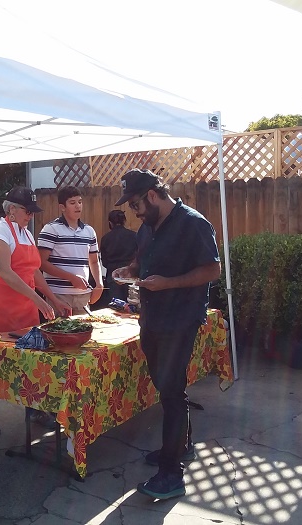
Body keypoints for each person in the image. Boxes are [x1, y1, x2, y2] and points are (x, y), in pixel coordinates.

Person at [112, 169, 220, 500]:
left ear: (153, 195)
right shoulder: (148, 226)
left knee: (171, 392)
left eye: (135, 204)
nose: (134, 212)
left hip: (180, 320)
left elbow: (212, 269)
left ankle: (171, 474)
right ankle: (181, 445)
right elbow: (142, 259)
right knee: (165, 386)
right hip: (152, 318)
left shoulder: (193, 223)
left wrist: (169, 283)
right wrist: (130, 270)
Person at [0, 186, 72, 436]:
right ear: (11, 210)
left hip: (26, 307)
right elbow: (6, 273)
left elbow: (34, 271)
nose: (30, 216)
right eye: (27, 211)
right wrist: (39, 300)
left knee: (32, 360)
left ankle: (36, 409)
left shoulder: (27, 234)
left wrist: (53, 299)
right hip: (1, 307)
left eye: (32, 212)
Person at [37, 186, 104, 314]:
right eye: (72, 203)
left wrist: (99, 284)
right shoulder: (51, 229)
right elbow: (41, 262)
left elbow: (94, 261)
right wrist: (71, 278)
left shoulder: (89, 231)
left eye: (80, 202)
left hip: (83, 295)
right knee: (59, 327)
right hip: (58, 294)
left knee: (85, 326)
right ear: (62, 207)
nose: (78, 206)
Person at [99, 209, 137, 302]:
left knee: (115, 305)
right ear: (124, 221)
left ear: (110, 223)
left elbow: (104, 262)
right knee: (132, 304)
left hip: (113, 275)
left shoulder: (105, 238)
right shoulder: (134, 236)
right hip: (130, 274)